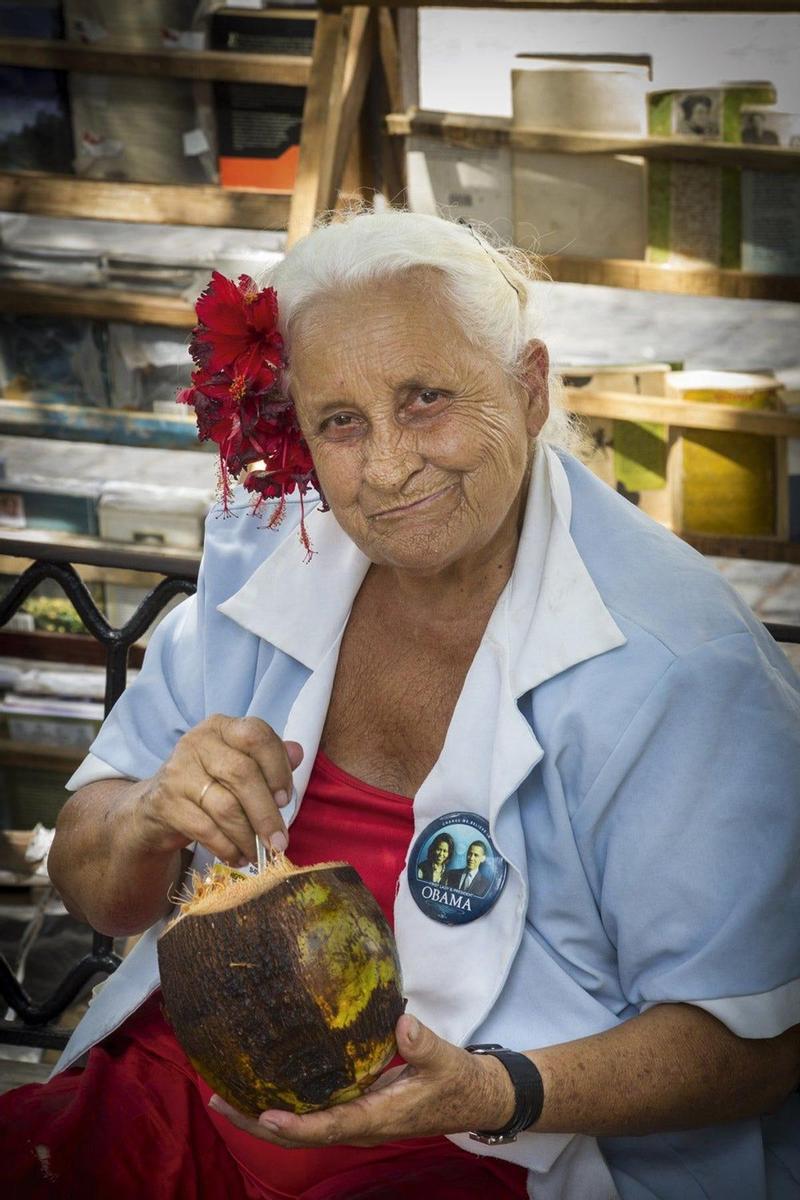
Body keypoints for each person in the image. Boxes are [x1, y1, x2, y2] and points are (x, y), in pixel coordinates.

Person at [2, 210, 798, 1200]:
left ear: (529, 387)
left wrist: (490, 1091)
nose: (383, 467)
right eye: (340, 421)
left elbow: (759, 1043)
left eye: (424, 400)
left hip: (485, 1153)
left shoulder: (679, 669)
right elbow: (97, 887)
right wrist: (147, 818)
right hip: (187, 1103)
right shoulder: (273, 560)